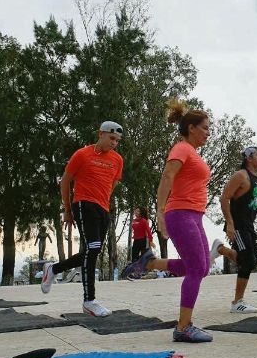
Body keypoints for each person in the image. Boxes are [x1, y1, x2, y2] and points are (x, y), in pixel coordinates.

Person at [124, 100, 215, 342]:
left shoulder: (192, 152)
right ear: (192, 128)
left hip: (194, 215)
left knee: (202, 267)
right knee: (196, 269)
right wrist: (160, 211)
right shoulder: (182, 149)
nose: (208, 133)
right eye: (205, 128)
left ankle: (151, 263)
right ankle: (183, 327)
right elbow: (167, 176)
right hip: (180, 214)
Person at [41, 121, 124, 318]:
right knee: (93, 248)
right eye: (112, 138)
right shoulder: (82, 154)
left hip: (103, 208)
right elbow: (65, 182)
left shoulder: (118, 160)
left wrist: (105, 203)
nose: (114, 143)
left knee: (90, 251)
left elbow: (111, 185)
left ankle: (53, 269)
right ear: (100, 134)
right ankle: (89, 301)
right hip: (83, 203)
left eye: (118, 141)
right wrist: (67, 209)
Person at [211, 146, 257, 314]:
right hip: (238, 225)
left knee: (250, 260)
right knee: (247, 260)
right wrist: (230, 224)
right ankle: (237, 302)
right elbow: (224, 198)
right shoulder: (241, 175)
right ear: (249, 158)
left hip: (249, 225)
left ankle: (220, 249)